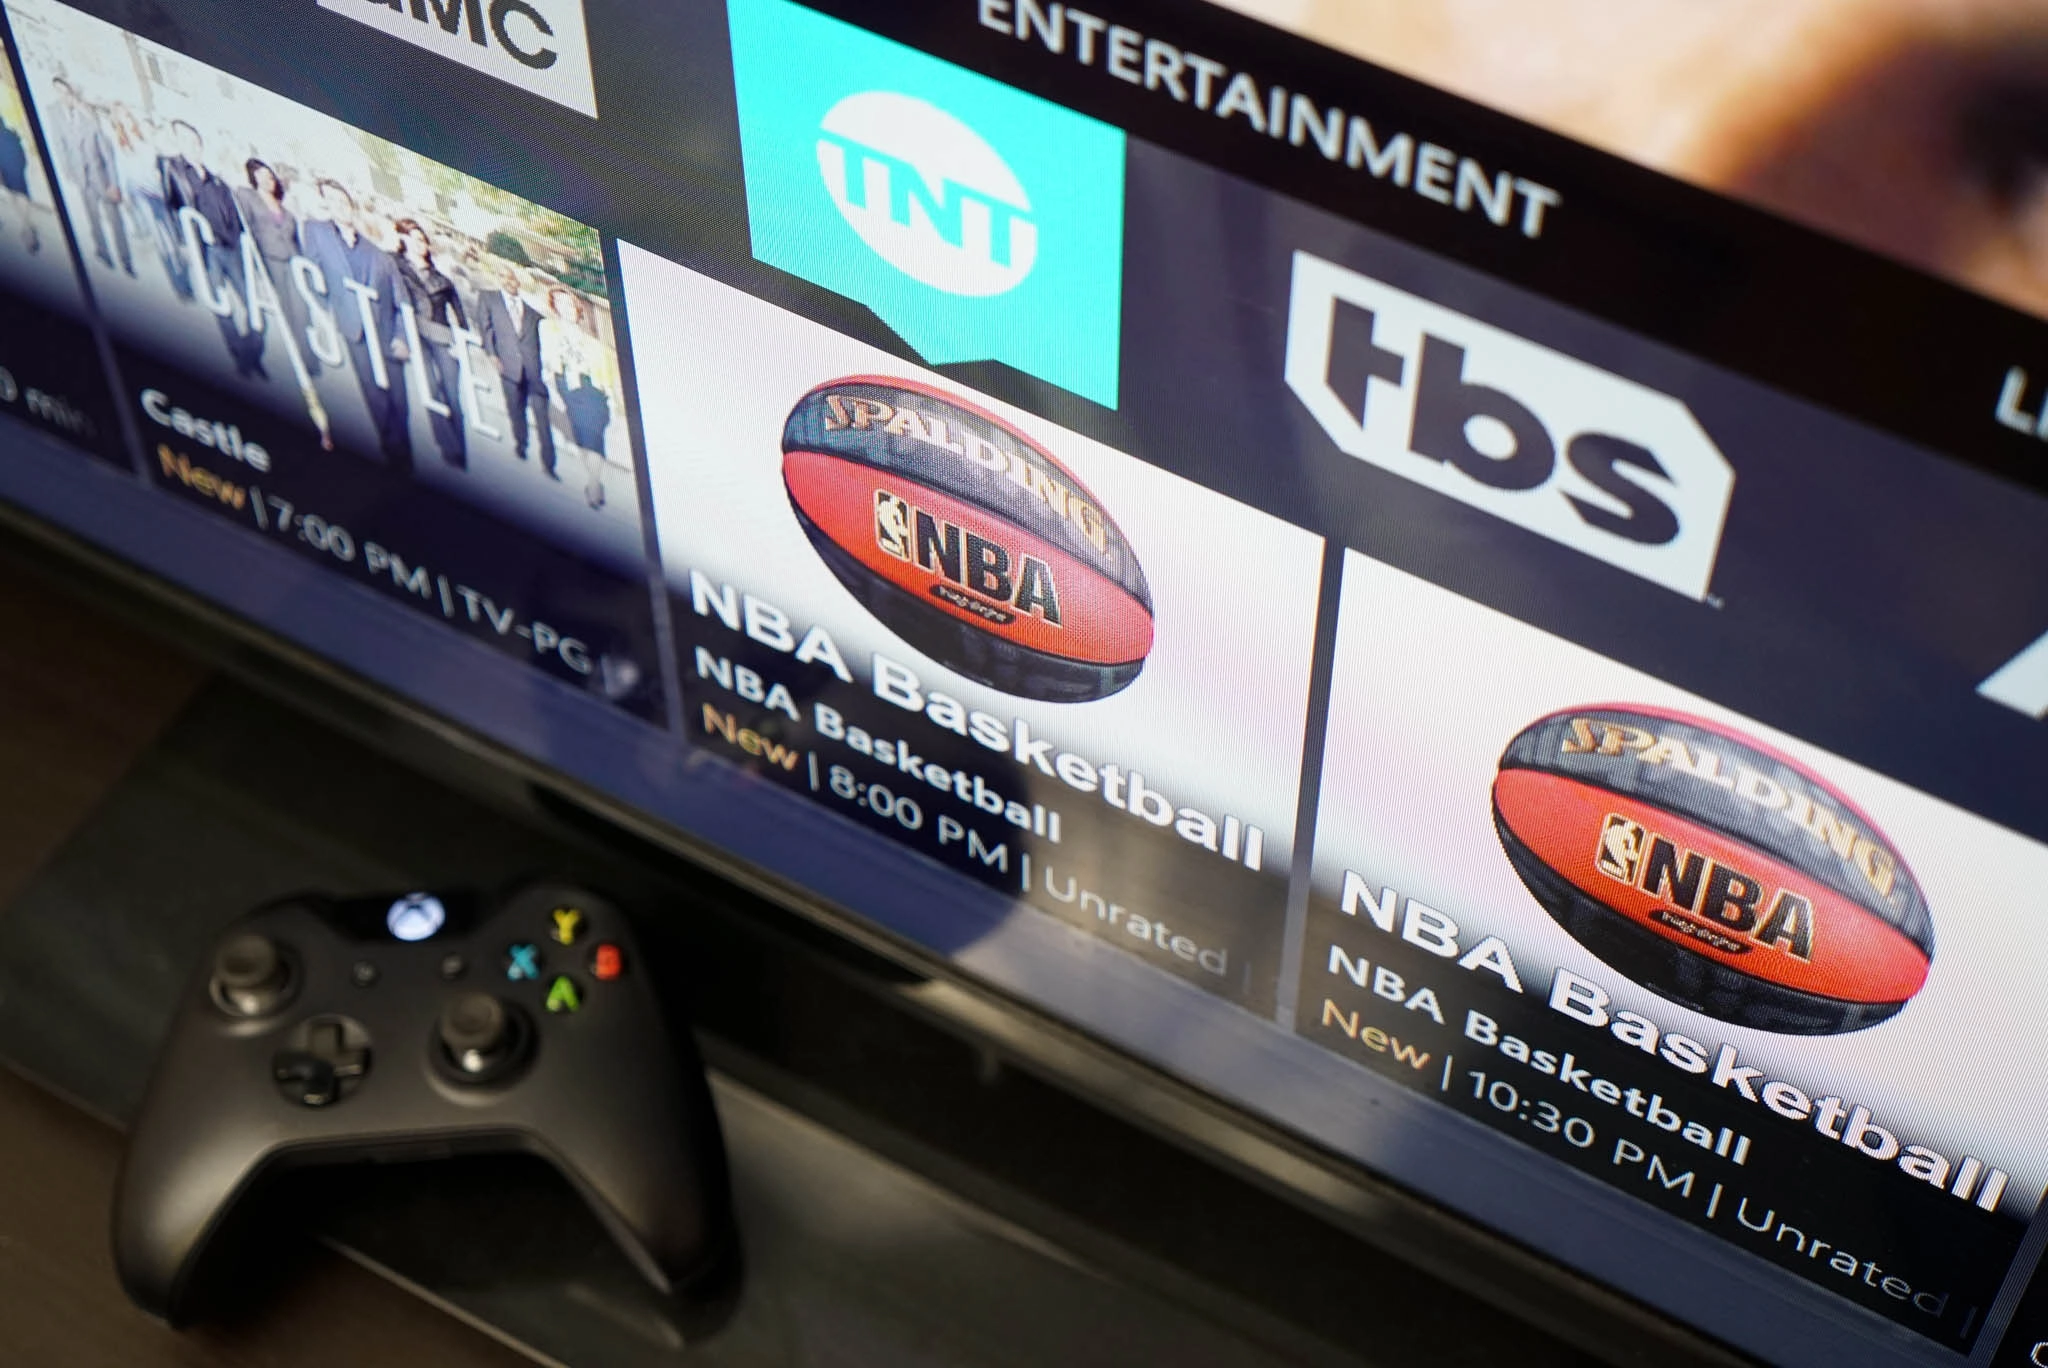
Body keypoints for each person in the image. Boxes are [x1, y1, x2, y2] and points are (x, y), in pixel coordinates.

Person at [302, 179, 410, 473]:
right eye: (333, 201)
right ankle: (393, 455)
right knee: (374, 395)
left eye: (344, 201)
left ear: (351, 205)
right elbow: (310, 274)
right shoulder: (317, 231)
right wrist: (329, 312)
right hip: (354, 330)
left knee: (399, 400)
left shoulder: (378, 254)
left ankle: (404, 456)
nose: (340, 206)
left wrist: (401, 338)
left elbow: (401, 301)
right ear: (326, 205)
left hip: (386, 335)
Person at [234, 159, 331, 449]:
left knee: (299, 313)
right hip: (269, 263)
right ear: (254, 179)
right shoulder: (248, 198)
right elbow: (246, 229)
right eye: (262, 176)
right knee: (272, 315)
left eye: (270, 176)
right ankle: (248, 357)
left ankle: (308, 362)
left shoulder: (286, 210)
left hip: (291, 263)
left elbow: (296, 242)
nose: (269, 180)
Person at [161, 121, 262, 378]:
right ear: (179, 143)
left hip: (231, 248)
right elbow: (172, 209)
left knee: (252, 305)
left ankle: (251, 355)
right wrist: (183, 244)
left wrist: (241, 244)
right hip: (206, 251)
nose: (192, 145)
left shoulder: (217, 180)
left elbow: (235, 216)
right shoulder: (175, 171)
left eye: (195, 140)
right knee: (222, 308)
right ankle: (240, 356)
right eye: (186, 140)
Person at [390, 218, 469, 469]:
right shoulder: (396, 265)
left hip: (442, 336)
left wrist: (461, 343)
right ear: (404, 240)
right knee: (431, 389)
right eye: (413, 238)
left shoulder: (442, 279)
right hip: (415, 334)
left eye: (422, 239)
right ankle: (449, 446)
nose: (419, 243)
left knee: (452, 394)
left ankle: (460, 450)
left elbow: (460, 315)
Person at [540, 285, 619, 510]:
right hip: (569, 388)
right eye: (560, 303)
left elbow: (605, 375)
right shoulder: (548, 329)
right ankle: (594, 481)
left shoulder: (593, 343)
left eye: (570, 304)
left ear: (577, 309)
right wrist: (552, 390)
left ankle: (593, 485)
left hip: (594, 393)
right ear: (555, 307)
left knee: (594, 438)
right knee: (583, 438)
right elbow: (547, 364)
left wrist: (611, 399)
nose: (566, 308)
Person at [477, 260, 553, 477]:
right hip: (508, 367)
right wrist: (492, 354)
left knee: (542, 416)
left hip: (533, 371)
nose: (508, 280)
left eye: (511, 276)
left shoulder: (532, 312)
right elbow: (485, 328)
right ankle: (521, 444)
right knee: (515, 410)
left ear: (518, 281)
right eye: (503, 276)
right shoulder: (489, 298)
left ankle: (549, 463)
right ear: (498, 279)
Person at [48, 79, 130, 274]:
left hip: (100, 174)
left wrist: (113, 182)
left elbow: (106, 150)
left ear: (72, 91)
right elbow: (59, 143)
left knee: (114, 218)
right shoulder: (54, 112)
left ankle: (125, 259)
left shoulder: (87, 112)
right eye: (59, 92)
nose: (64, 96)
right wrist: (67, 169)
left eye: (67, 92)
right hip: (80, 175)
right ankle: (103, 252)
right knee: (92, 217)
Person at [0, 112, 38, 255]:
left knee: (12, 193)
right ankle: (27, 226)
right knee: (20, 192)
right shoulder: (11, 133)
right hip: (14, 155)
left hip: (6, 158)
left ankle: (27, 227)